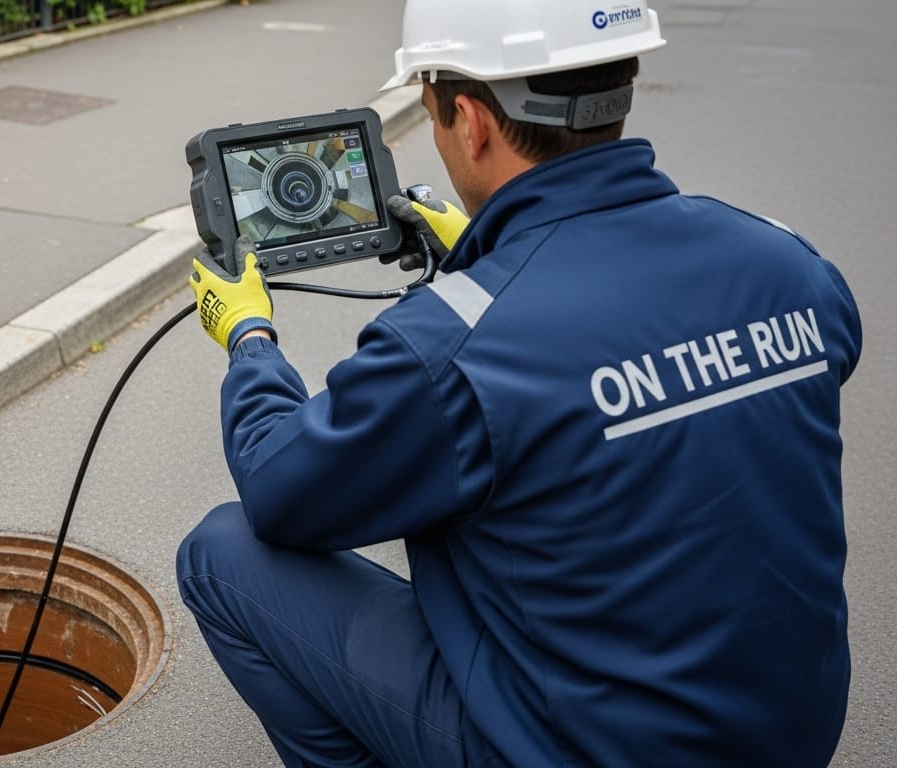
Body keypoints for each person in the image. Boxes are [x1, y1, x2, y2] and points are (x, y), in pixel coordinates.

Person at [176, 1, 863, 766]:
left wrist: (248, 335)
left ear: (469, 121)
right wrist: (488, 254)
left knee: (220, 551)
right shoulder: (787, 260)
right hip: (790, 735)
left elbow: (279, 488)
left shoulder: (455, 339)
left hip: (577, 752)